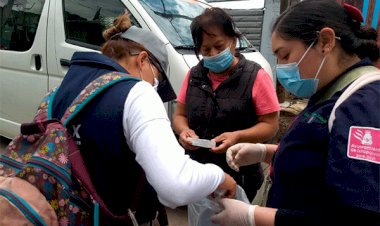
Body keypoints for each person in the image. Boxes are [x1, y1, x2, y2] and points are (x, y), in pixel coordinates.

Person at [50, 12, 237, 225]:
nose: (155, 87)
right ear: (143, 60)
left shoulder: (63, 89)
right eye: (156, 77)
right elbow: (175, 186)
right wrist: (219, 177)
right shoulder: (137, 92)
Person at [211, 1, 380, 226]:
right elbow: (320, 159)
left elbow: (354, 218)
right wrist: (266, 152)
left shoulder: (362, 106)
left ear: (325, 42)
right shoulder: (330, 91)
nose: (280, 67)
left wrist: (253, 216)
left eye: (285, 55)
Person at [172, 7, 280, 202]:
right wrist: (184, 131)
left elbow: (270, 125)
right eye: (205, 50)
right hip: (199, 172)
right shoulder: (194, 75)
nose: (213, 54)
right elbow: (180, 115)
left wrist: (238, 136)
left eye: (219, 46)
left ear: (233, 41)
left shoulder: (255, 76)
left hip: (239, 173)